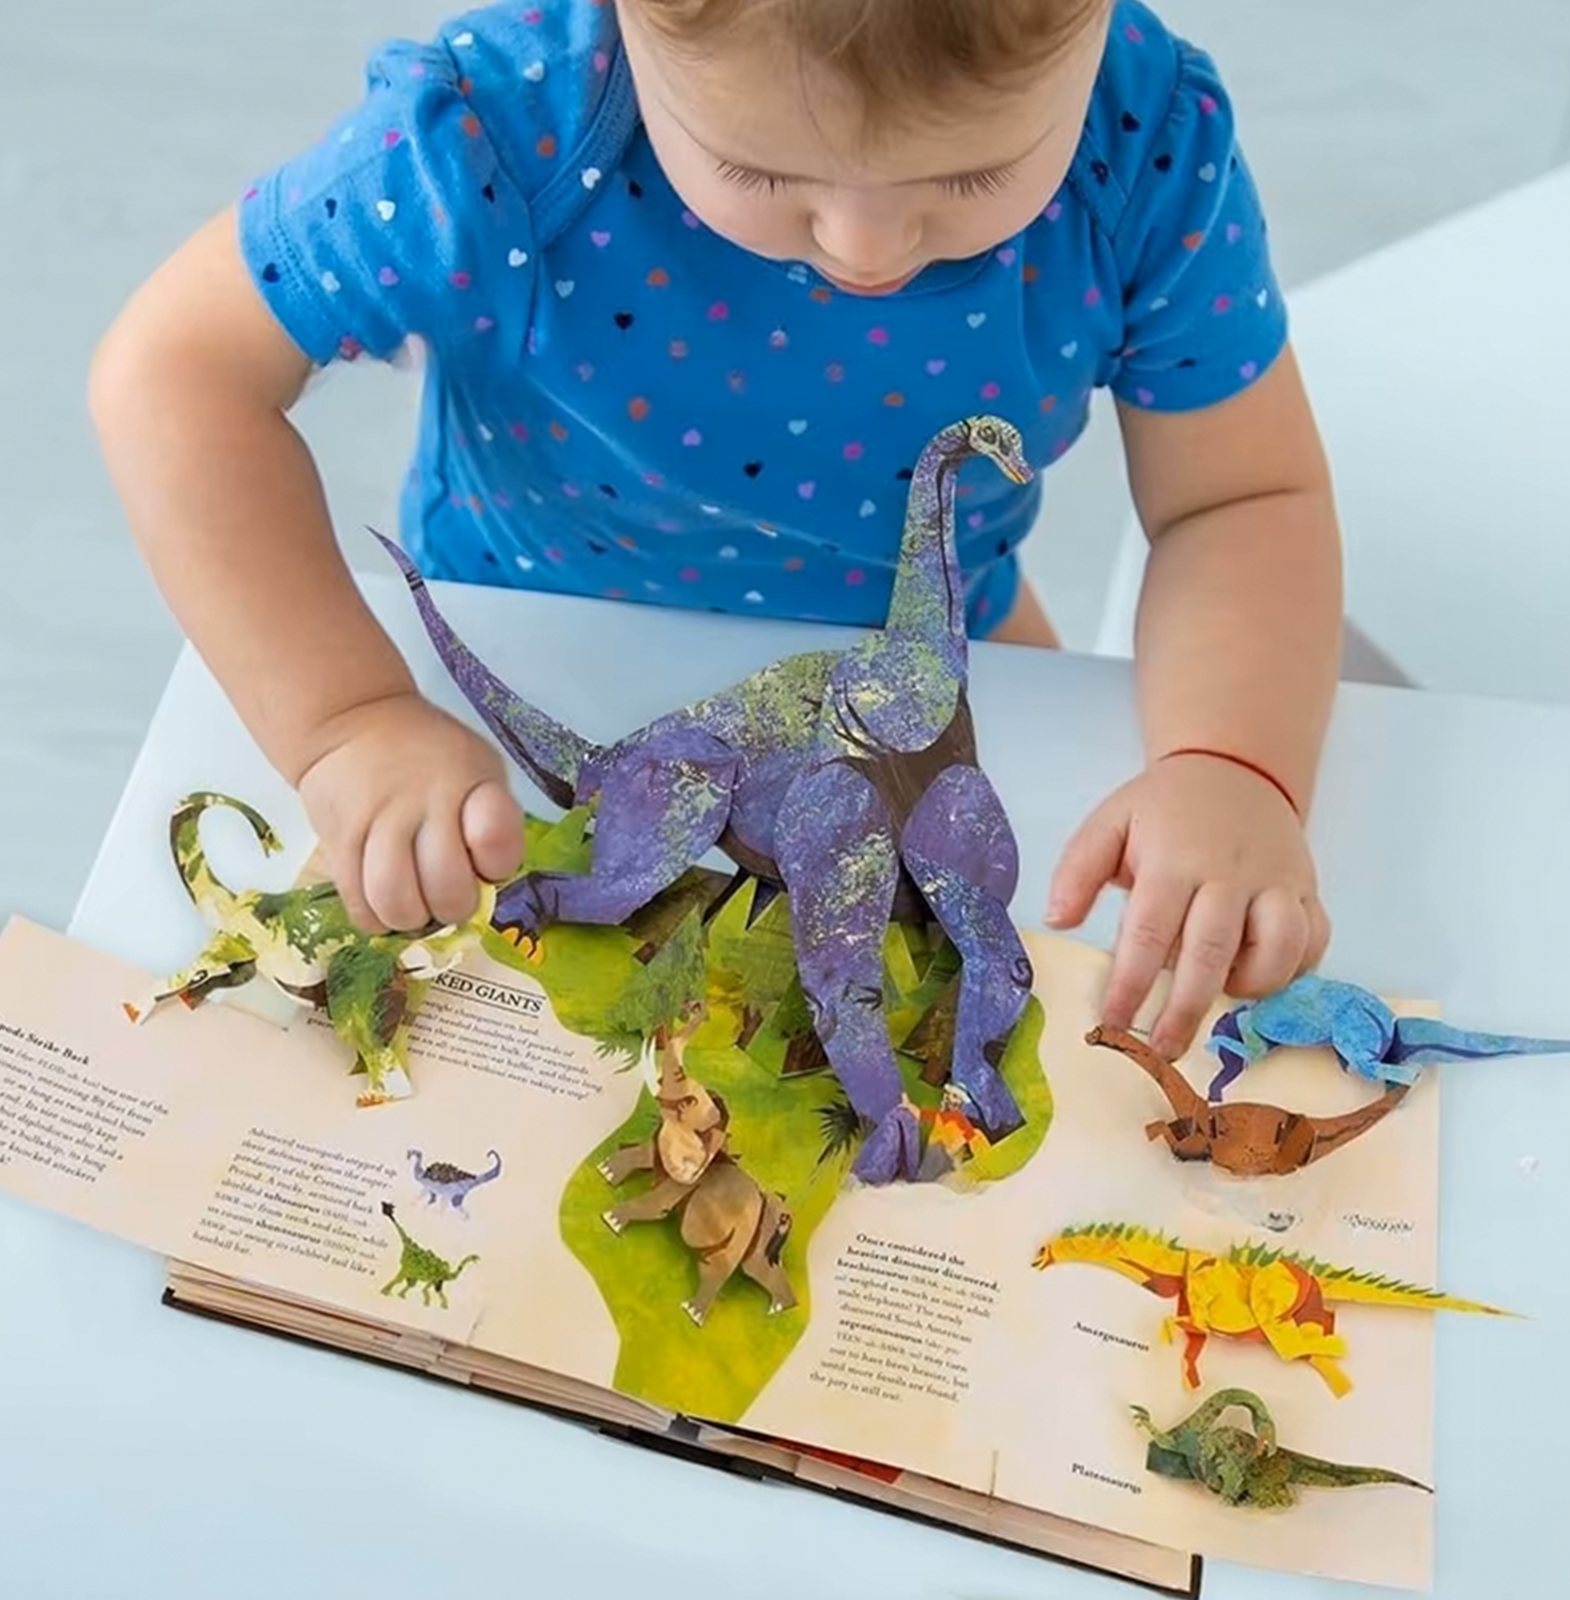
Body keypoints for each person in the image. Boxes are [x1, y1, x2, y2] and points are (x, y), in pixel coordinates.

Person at [89, 0, 1341, 1061]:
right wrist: (345, 718)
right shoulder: (501, 134)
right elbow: (173, 375)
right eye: (758, 172)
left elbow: (1236, 499)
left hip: (926, 674)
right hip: (523, 654)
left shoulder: (1144, 148)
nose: (865, 248)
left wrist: (1230, 764)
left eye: (972, 177)